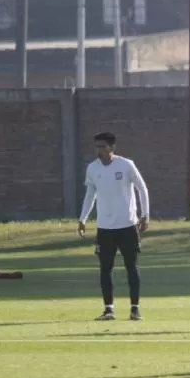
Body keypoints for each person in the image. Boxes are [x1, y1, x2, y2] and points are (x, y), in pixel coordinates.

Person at [78, 132, 150, 321]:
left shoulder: (126, 165)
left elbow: (142, 188)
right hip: (105, 228)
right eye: (96, 146)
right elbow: (90, 194)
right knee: (105, 268)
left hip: (127, 225)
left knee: (131, 267)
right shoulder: (92, 169)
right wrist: (83, 218)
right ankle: (108, 309)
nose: (98, 150)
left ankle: (135, 309)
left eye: (102, 146)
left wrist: (145, 215)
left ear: (112, 147)